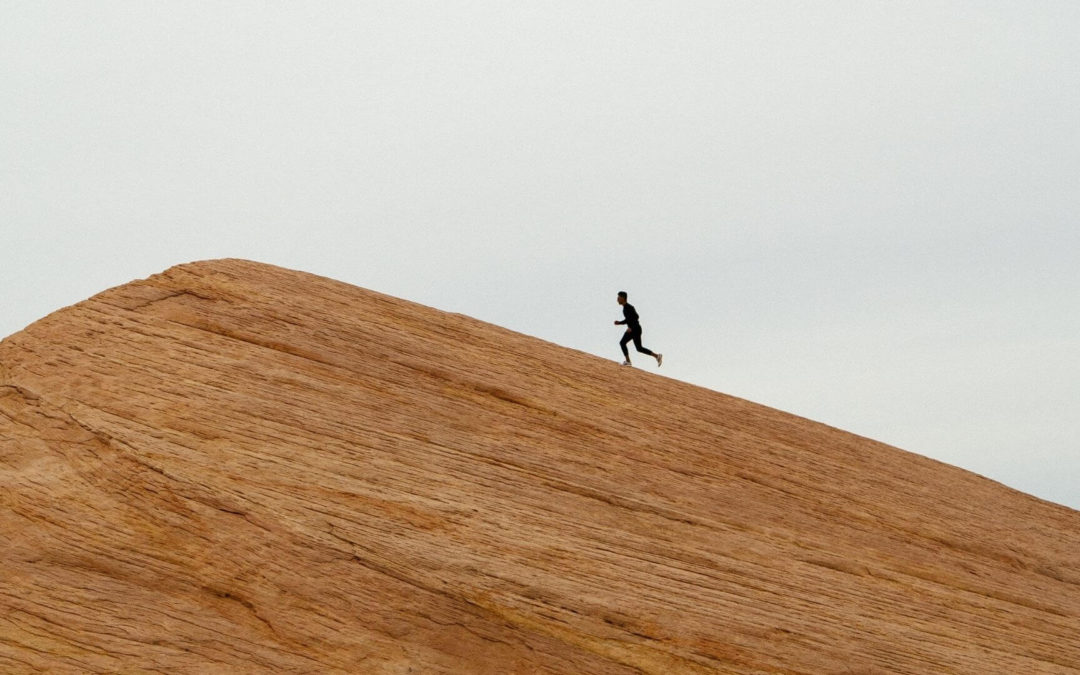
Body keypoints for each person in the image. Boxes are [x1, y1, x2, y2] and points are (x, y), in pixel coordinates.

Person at [614, 291, 662, 367]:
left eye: (618, 297)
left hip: (635, 328)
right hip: (636, 329)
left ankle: (628, 361)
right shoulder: (625, 308)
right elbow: (629, 319)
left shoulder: (628, 307)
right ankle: (657, 356)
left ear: (623, 298)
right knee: (639, 348)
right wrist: (619, 323)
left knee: (622, 343)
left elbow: (636, 317)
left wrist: (631, 327)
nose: (617, 299)